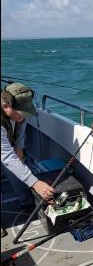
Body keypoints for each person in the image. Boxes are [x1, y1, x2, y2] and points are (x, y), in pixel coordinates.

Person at [1, 83, 55, 235]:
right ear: (6, 106)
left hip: (5, 149)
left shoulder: (19, 117)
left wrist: (19, 150)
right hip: (3, 151)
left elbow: (20, 138)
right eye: (20, 112)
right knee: (12, 164)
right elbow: (7, 158)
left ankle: (28, 202)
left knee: (18, 171)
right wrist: (36, 183)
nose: (23, 116)